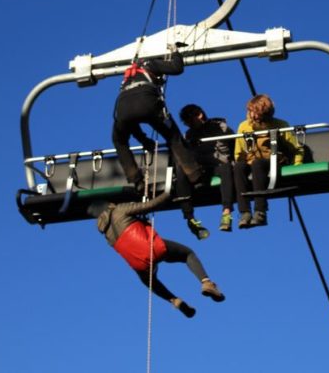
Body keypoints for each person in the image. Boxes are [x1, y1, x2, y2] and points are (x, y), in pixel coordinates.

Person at [91, 191, 224, 318]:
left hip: (138, 263)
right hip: (152, 247)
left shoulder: (106, 234)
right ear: (109, 205)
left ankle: (173, 300)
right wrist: (167, 194)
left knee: (150, 282)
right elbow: (150, 205)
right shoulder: (119, 210)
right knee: (188, 254)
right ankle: (206, 283)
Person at [112, 50, 202, 194]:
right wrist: (176, 53)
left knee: (119, 141)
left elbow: (132, 120)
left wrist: (144, 141)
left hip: (123, 109)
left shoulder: (129, 75)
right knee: (173, 137)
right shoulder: (151, 63)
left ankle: (136, 180)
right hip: (148, 104)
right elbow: (177, 68)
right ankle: (195, 175)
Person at [233, 93, 306, 228]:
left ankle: (260, 211)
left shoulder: (280, 125)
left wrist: (298, 166)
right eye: (250, 111)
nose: (252, 116)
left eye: (256, 112)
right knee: (238, 167)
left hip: (274, 162)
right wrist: (242, 163)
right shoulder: (244, 126)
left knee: (258, 164)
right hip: (252, 162)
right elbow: (239, 152)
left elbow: (297, 148)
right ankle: (245, 212)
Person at [177, 104, 236, 235]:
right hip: (200, 169)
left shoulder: (221, 128)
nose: (189, 125)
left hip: (219, 165)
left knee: (226, 169)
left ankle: (226, 212)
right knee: (181, 170)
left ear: (199, 115)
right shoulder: (188, 135)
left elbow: (234, 145)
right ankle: (190, 217)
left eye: (189, 120)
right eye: (186, 123)